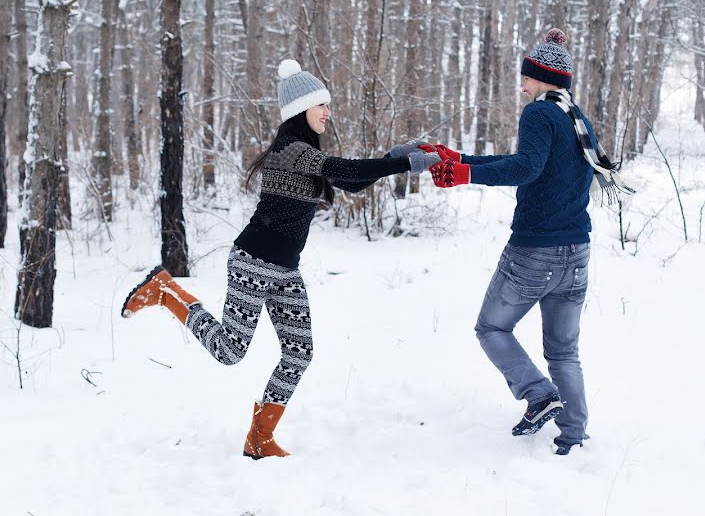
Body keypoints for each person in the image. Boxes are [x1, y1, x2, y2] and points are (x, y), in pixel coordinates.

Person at [121, 59, 440, 459]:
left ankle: (259, 439)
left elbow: (350, 181)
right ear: (300, 109)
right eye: (321, 105)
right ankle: (166, 291)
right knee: (229, 352)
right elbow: (344, 169)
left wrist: (394, 157)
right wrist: (400, 163)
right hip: (253, 262)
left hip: (286, 270)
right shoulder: (291, 150)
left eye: (328, 105)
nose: (328, 112)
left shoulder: (307, 155)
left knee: (299, 352)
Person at [424, 29, 632, 455]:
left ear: (540, 77)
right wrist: (462, 160)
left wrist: (465, 175)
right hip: (576, 254)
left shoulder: (538, 114)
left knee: (491, 327)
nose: (522, 84)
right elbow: (525, 163)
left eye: (526, 76)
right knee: (563, 351)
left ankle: (539, 394)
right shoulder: (574, 116)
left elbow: (527, 168)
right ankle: (572, 438)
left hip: (535, 253)